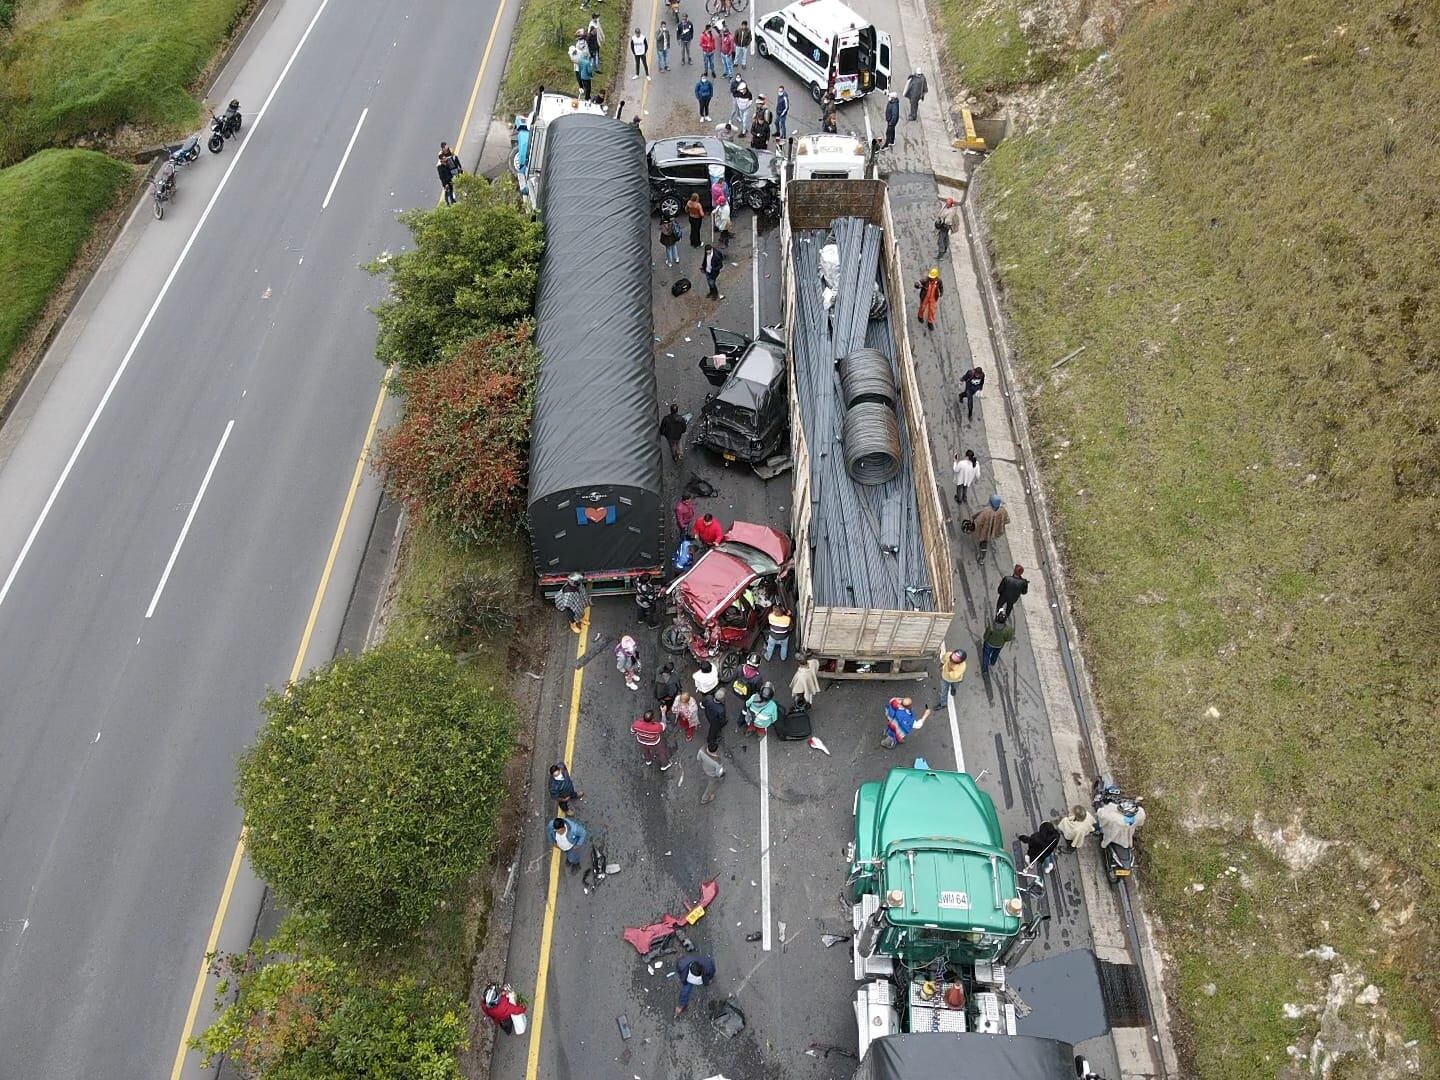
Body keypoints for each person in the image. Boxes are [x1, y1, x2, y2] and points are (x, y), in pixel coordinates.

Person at [972, 493, 1010, 563]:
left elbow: (978, 520)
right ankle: (982, 558)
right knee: (987, 539)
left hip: (985, 531)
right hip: (995, 529)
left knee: (983, 543)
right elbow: (1006, 520)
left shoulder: (986, 512)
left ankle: (982, 559)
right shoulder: (1002, 510)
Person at [980, 609, 1015, 676]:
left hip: (989, 644)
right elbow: (1008, 638)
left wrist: (986, 639)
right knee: (996, 653)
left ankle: (985, 670)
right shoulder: (1008, 629)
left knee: (986, 656)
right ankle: (993, 662)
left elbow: (986, 636)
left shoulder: (992, 627)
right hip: (999, 645)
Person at [697, 739, 725, 803]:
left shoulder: (701, 750)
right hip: (712, 775)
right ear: (716, 750)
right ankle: (704, 799)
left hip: (705, 768)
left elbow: (698, 758)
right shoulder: (717, 762)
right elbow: (718, 773)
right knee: (710, 786)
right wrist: (721, 775)